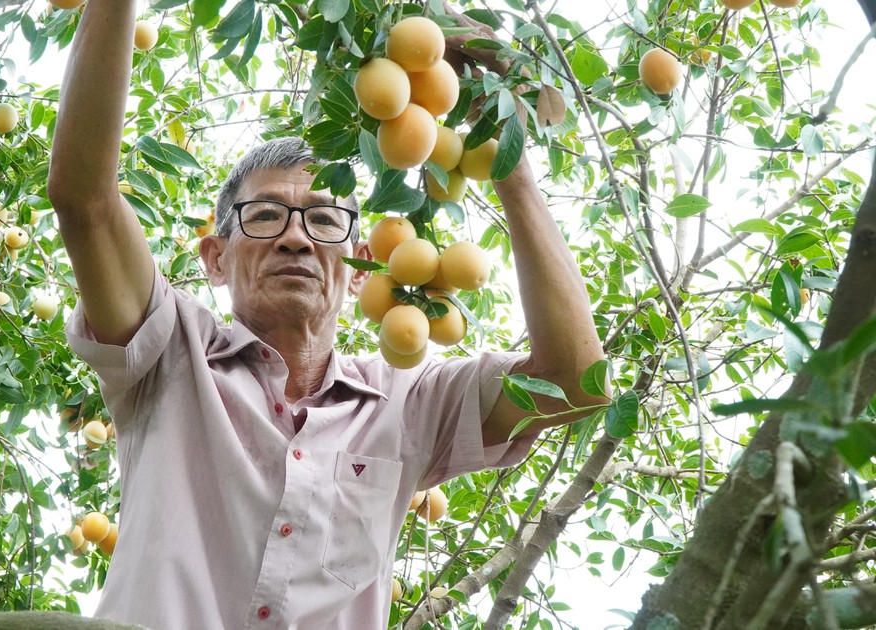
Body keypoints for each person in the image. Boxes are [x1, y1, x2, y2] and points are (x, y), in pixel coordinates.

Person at [48, 2, 604, 628]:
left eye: (323, 219)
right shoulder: (169, 352)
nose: (297, 239)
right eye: (264, 217)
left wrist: (510, 164)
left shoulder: (407, 404)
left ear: (362, 261)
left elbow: (573, 385)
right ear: (215, 257)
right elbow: (84, 199)